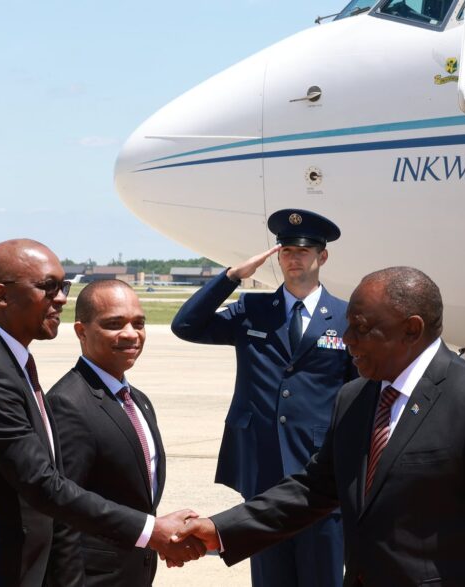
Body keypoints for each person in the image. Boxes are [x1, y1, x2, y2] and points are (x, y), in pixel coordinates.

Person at [173, 266, 465, 586]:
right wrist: (218, 529)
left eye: (362, 328)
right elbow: (314, 489)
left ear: (411, 330)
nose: (348, 339)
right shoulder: (356, 397)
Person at [0, 239, 201, 587]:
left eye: (62, 286)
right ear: (2, 295)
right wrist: (152, 530)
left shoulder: (14, 365)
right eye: (49, 287)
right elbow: (46, 490)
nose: (61, 298)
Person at [171, 208, 354, 587]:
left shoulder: (346, 318)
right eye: (286, 250)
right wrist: (232, 278)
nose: (293, 258)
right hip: (264, 467)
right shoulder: (252, 311)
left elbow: (357, 393)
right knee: (270, 578)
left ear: (322, 256)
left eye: (302, 251)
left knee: (322, 578)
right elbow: (186, 325)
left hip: (319, 472)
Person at [46, 279, 166, 586]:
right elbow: (61, 512)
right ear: (81, 331)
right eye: (114, 324)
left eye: (138, 323)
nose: (130, 334)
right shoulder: (68, 402)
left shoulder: (137, 400)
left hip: (134, 571)